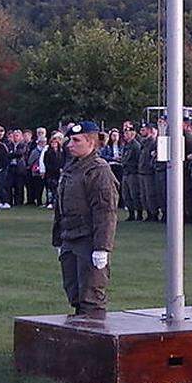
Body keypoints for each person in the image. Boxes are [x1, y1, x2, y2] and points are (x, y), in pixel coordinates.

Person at [51, 121, 119, 320]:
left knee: (91, 294)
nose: (69, 144)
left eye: (75, 140)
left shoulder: (98, 170)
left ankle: (95, 338)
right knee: (75, 292)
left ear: (90, 142)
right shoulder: (72, 167)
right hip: (70, 237)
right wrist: (58, 238)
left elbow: (105, 212)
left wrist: (102, 247)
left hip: (88, 239)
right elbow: (60, 207)